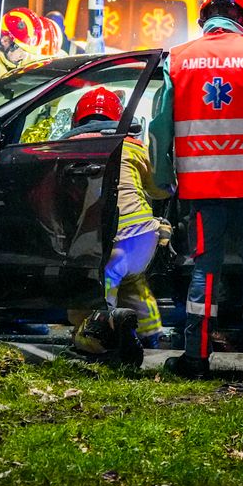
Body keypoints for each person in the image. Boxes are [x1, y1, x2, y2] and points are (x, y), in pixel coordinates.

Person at [151, 0, 243, 380]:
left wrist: (163, 175)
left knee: (205, 268)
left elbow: (160, 124)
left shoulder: (178, 59)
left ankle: (196, 357)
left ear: (204, 18)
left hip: (202, 185)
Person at [67, 87, 171, 357]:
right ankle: (151, 335)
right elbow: (159, 188)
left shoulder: (71, 149)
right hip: (144, 238)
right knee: (134, 282)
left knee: (99, 291)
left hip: (110, 240)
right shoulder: (134, 146)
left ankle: (104, 335)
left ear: (76, 120)